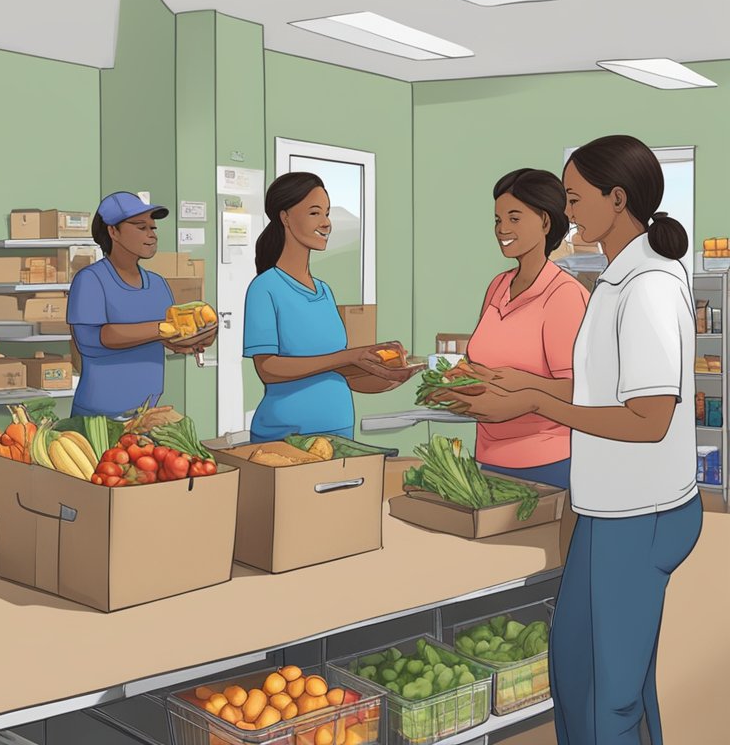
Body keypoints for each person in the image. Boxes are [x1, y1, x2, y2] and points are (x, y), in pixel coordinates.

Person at [436, 135, 701, 745]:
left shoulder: (650, 288)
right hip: (607, 509)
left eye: (576, 199)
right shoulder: (614, 281)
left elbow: (648, 420)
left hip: (644, 513)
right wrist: (524, 386)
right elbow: (595, 393)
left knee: (610, 693)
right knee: (581, 668)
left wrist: (531, 398)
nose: (569, 212)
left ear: (618, 198)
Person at [243, 172, 416, 442]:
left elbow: (334, 370)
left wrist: (385, 374)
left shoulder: (324, 291)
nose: (326, 224)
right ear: (285, 217)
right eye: (315, 213)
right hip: (287, 435)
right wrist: (349, 356)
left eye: (327, 213)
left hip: (339, 429)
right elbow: (268, 369)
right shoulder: (265, 288)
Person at [462, 169, 589, 488]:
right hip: (488, 458)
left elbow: (581, 390)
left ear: (545, 222)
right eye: (497, 220)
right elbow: (478, 367)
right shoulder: (497, 286)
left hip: (546, 463)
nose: (502, 229)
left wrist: (522, 386)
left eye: (514, 218)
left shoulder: (564, 295)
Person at [67, 191, 215, 418]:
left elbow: (167, 340)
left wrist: (195, 339)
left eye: (153, 228)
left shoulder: (157, 284)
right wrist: (162, 328)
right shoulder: (90, 280)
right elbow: (91, 339)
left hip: (149, 413)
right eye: (140, 227)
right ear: (113, 231)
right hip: (100, 417)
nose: (152, 235)